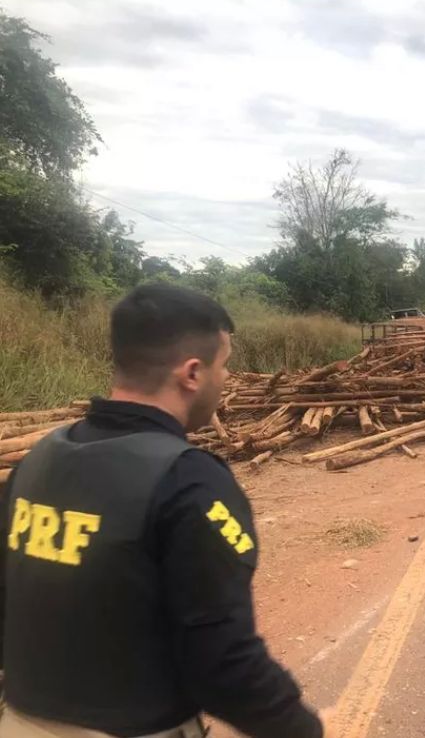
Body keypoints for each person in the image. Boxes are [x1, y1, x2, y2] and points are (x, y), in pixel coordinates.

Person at [0, 283, 328, 738]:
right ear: (192, 373)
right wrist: (302, 728)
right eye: (225, 365)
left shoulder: (37, 462)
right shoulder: (187, 480)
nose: (227, 378)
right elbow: (223, 662)